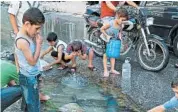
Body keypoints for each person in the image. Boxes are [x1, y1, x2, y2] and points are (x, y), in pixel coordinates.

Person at [14, 8, 45, 112]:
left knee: (28, 101)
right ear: (27, 24)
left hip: (29, 74)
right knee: (34, 105)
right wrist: (39, 45)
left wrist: (18, 69)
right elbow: (32, 62)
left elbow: (15, 53)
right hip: (29, 77)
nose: (38, 31)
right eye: (37, 28)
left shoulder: (29, 34)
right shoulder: (23, 41)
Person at [100, 8, 129, 77]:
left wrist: (121, 38)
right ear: (117, 17)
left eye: (124, 21)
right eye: (122, 20)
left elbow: (119, 32)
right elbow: (102, 29)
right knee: (106, 55)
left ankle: (112, 69)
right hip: (105, 39)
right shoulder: (111, 23)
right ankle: (105, 70)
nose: (122, 22)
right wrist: (107, 36)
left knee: (113, 54)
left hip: (113, 40)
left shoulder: (121, 25)